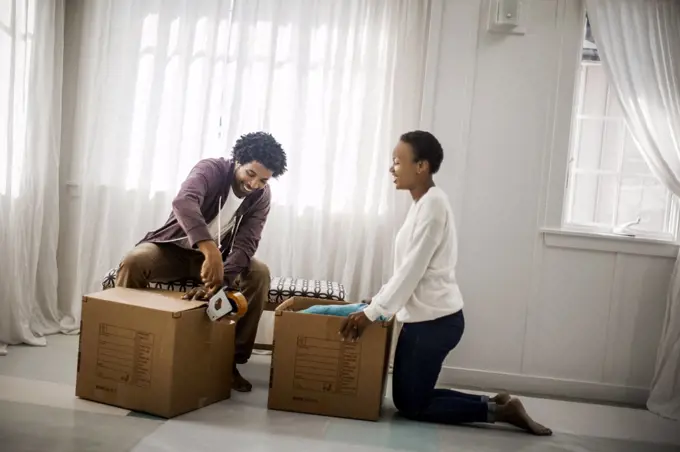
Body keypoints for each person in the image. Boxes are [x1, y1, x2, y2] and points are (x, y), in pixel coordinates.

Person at [339, 131, 552, 436]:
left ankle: (501, 411)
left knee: (412, 406)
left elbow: (411, 271)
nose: (392, 168)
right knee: (409, 399)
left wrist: (373, 313)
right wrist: (377, 300)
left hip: (436, 323)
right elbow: (408, 268)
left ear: (421, 165)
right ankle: (496, 403)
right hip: (423, 320)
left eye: (398, 161)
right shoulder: (423, 203)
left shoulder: (434, 205)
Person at [117, 131, 287, 392]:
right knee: (135, 260)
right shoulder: (212, 170)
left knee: (259, 273)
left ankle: (229, 361)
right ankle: (126, 345)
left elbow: (246, 242)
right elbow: (184, 201)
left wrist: (221, 281)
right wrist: (210, 250)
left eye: (263, 180)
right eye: (250, 174)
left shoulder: (261, 197)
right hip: (174, 249)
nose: (254, 184)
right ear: (238, 161)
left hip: (215, 262)